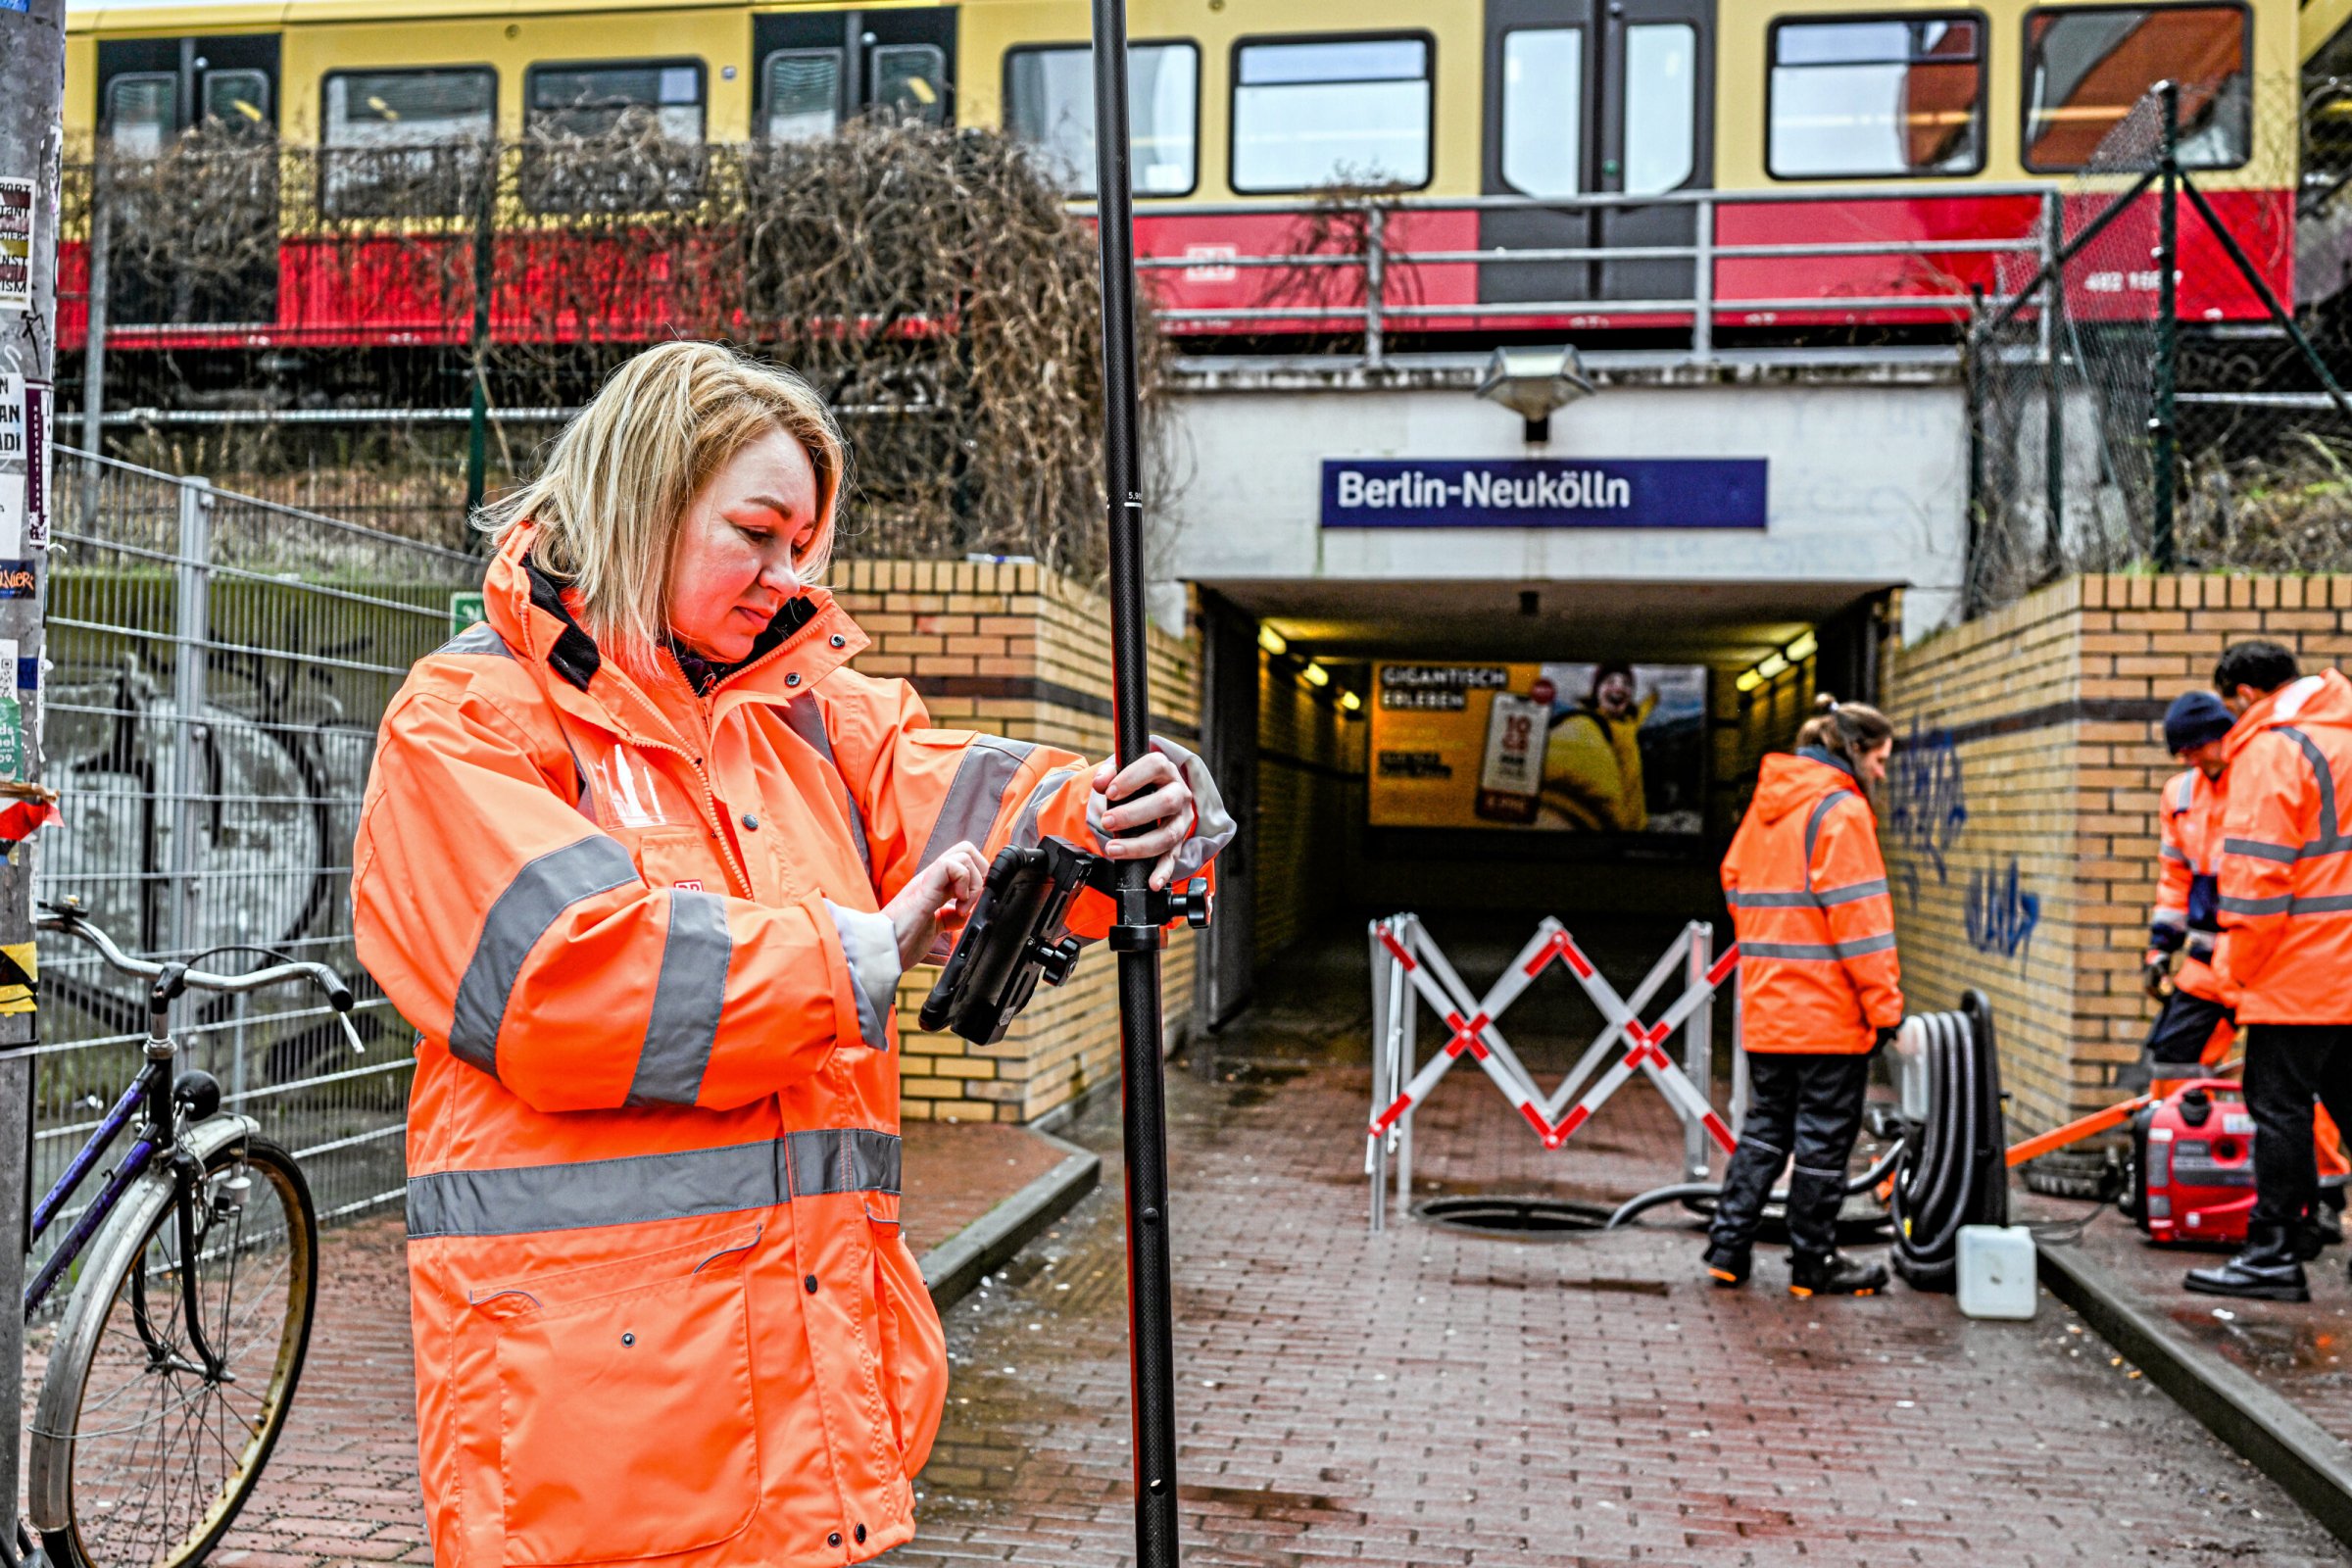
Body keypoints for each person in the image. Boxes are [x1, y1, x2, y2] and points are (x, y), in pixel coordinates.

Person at [351, 342, 1233, 1567]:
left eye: (801, 542)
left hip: (803, 1400)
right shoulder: (467, 721)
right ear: (647, 496)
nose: (785, 573)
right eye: (757, 532)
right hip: (593, 1440)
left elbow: (977, 798)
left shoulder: (802, 714)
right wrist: (856, 954)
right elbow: (567, 982)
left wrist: (1120, 812)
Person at [1705, 695, 1902, 1297]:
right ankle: (1812, 1264)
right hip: (1829, 1015)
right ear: (1854, 749)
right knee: (1822, 1138)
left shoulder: (1771, 806)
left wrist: (1774, 942)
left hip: (1769, 1008)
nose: (1881, 773)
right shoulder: (1840, 811)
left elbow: (1734, 879)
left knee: (1766, 1126)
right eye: (1880, 758)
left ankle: (1728, 1249)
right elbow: (1861, 924)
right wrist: (1886, 1009)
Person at [2138, 687, 2349, 1236]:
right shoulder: (2181, 794)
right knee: (2175, 1060)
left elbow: (2264, 877)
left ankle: (2320, 1189)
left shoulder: (2257, 775)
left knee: (2293, 1087)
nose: (2192, 758)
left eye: (2198, 746)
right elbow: (2175, 877)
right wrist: (2161, 947)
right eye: (2182, 751)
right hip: (2213, 961)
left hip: (2266, 956)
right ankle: (2167, 1165)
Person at [2189, 642, 2352, 1302]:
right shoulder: (2342, 736)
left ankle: (2273, 1250)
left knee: (2278, 1107)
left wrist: (2234, 977)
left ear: (2246, 695)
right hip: (2344, 967)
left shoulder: (2273, 750)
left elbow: (2257, 883)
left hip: (2299, 969)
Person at [1541, 662, 1654, 831]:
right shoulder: (1589, 724)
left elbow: (1643, 710)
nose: (1619, 688)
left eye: (1627, 684)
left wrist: (1654, 697)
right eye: (1610, 682)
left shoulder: (1630, 722)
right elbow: (1570, 752)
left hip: (1638, 823)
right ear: (1596, 692)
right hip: (1614, 825)